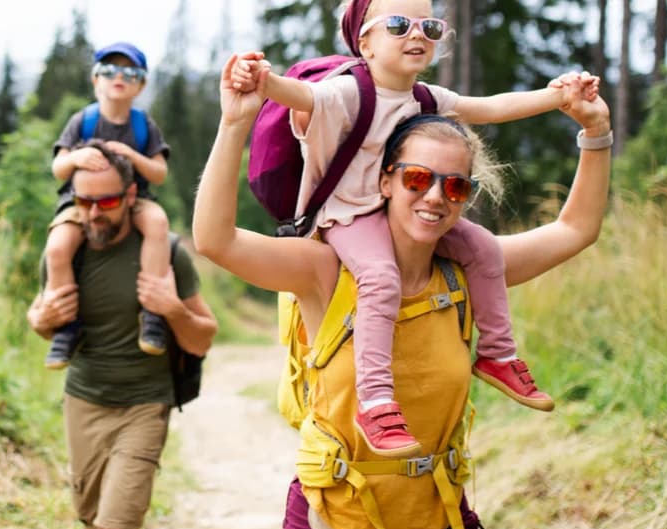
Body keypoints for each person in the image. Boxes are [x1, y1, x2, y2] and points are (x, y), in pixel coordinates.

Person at [195, 50, 611, 529]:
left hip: (440, 517)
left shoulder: (470, 274)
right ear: (385, 181)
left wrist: (596, 133)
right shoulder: (327, 271)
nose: (435, 196)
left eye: (455, 187)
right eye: (417, 179)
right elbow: (215, 240)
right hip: (334, 518)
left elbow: (576, 229)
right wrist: (233, 124)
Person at [227, 0, 600, 457]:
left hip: (394, 212)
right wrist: (260, 80)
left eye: (430, 26)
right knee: (380, 277)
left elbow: (491, 108)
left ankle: (497, 355)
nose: (417, 34)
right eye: (400, 25)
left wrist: (558, 96)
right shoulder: (347, 93)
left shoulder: (425, 99)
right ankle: (377, 401)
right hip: (349, 217)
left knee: (482, 248)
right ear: (364, 41)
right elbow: (299, 97)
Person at [27, 139, 218, 529]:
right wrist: (41, 319)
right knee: (91, 520)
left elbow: (203, 338)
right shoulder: (66, 253)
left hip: (144, 405)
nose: (94, 214)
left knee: (117, 526)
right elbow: (46, 325)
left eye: (108, 203)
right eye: (83, 202)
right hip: (83, 401)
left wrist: (172, 308)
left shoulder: (167, 254)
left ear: (131, 195)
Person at [43, 42, 176, 370]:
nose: (120, 77)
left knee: (158, 224)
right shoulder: (83, 121)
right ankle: (66, 325)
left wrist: (132, 156)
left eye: (130, 73)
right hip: (83, 202)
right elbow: (58, 168)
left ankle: (153, 313)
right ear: (95, 80)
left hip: (135, 199)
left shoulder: (143, 125)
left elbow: (159, 173)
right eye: (109, 71)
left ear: (141, 85)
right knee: (58, 248)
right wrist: (75, 157)